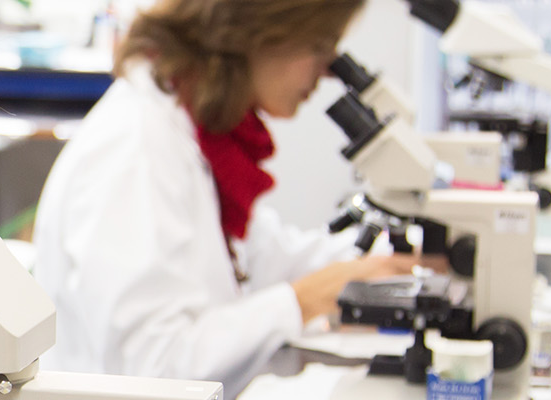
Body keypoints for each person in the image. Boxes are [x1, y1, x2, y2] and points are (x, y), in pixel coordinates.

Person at [30, 0, 433, 397]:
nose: (328, 71)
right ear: (259, 29)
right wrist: (302, 301)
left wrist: (405, 259)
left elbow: (268, 260)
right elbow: (149, 371)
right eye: (319, 44)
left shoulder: (199, 138)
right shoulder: (136, 150)